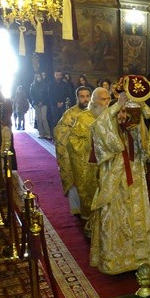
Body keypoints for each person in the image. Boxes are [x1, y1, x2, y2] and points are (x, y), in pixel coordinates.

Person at [89, 81, 150, 275]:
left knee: (137, 216)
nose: (122, 115)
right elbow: (99, 127)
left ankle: (139, 258)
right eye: (119, 112)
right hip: (115, 179)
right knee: (116, 217)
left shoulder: (133, 128)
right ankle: (116, 260)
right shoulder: (106, 121)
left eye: (125, 112)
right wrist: (118, 104)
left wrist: (142, 105)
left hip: (136, 178)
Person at [53, 86, 96, 219]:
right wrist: (75, 133)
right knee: (76, 181)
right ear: (77, 98)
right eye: (82, 96)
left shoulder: (96, 112)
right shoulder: (70, 113)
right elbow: (59, 131)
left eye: (87, 96)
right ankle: (78, 208)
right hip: (76, 155)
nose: (85, 99)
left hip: (93, 155)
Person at [30, 72, 51, 140]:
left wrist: (42, 101)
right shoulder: (32, 85)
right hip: (36, 104)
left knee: (43, 118)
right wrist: (37, 101)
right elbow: (31, 95)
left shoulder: (45, 85)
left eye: (39, 77)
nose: (39, 78)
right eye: (37, 77)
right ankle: (41, 133)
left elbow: (47, 95)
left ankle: (48, 134)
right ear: (35, 78)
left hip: (44, 104)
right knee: (38, 119)